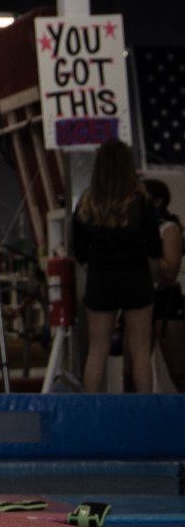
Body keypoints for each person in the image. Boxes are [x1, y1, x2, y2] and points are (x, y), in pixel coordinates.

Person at [71, 140, 163, 393]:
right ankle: (145, 412)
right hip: (135, 276)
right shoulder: (140, 200)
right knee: (141, 350)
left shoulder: (87, 203)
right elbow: (155, 247)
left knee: (97, 350)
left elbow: (79, 251)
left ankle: (92, 411)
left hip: (100, 277)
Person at [145, 179, 184, 391]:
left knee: (177, 369)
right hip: (141, 298)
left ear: (157, 201)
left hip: (166, 300)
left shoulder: (168, 229)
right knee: (132, 369)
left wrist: (146, 253)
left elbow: (170, 270)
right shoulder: (136, 227)